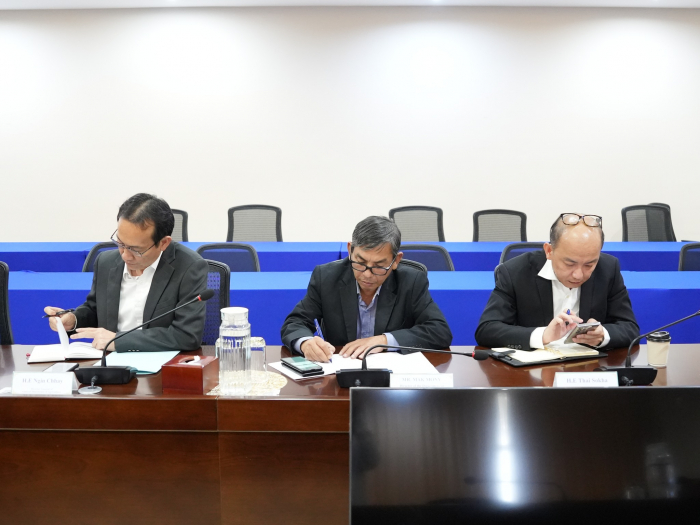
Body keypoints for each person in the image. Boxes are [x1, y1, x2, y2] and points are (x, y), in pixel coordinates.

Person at [44, 193, 208, 352]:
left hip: (162, 364)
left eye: (136, 249)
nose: (125, 255)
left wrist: (119, 341)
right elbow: (95, 310)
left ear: (164, 243)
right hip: (110, 362)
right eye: (121, 243)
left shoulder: (189, 267)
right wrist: (73, 320)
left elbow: (187, 335)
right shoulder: (106, 262)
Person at [280, 215, 453, 361]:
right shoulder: (326, 277)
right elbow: (295, 322)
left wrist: (384, 341)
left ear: (396, 261)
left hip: (391, 378)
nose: (368, 274)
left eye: (379, 266)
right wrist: (305, 343)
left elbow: (440, 331)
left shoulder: (411, 281)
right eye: (360, 262)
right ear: (350, 250)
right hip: (339, 375)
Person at [475, 213, 639, 350]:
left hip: (589, 370)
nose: (578, 275)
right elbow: (487, 330)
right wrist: (543, 335)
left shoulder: (608, 269)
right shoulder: (515, 272)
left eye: (589, 265)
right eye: (569, 264)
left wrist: (603, 335)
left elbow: (630, 328)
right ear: (549, 251)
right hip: (533, 372)